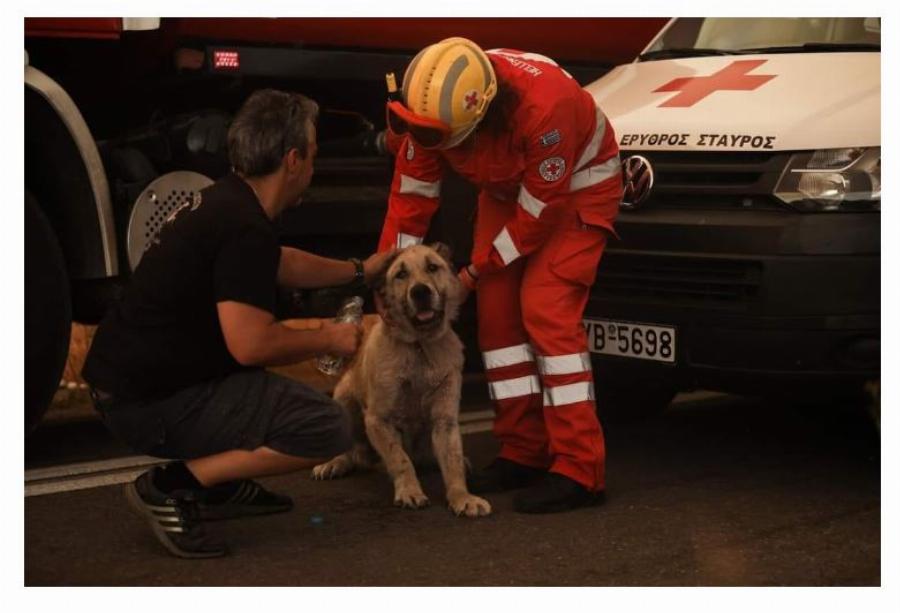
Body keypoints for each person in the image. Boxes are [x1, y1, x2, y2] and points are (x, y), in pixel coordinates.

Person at [83, 89, 392, 558]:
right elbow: (250, 343)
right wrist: (327, 337)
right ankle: (173, 486)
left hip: (129, 388)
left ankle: (220, 485)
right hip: (146, 405)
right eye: (313, 153)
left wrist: (360, 270)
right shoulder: (244, 226)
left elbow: (279, 261)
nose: (314, 165)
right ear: (292, 160)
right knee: (327, 427)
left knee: (259, 387)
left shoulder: (226, 202)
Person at [378, 38, 622, 513]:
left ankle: (579, 468)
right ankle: (523, 450)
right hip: (510, 188)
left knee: (545, 309)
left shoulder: (547, 110)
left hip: (576, 189)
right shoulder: (434, 113)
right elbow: (410, 203)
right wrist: (391, 286)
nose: (429, 146)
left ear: (480, 120)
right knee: (497, 319)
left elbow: (536, 216)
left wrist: (472, 271)